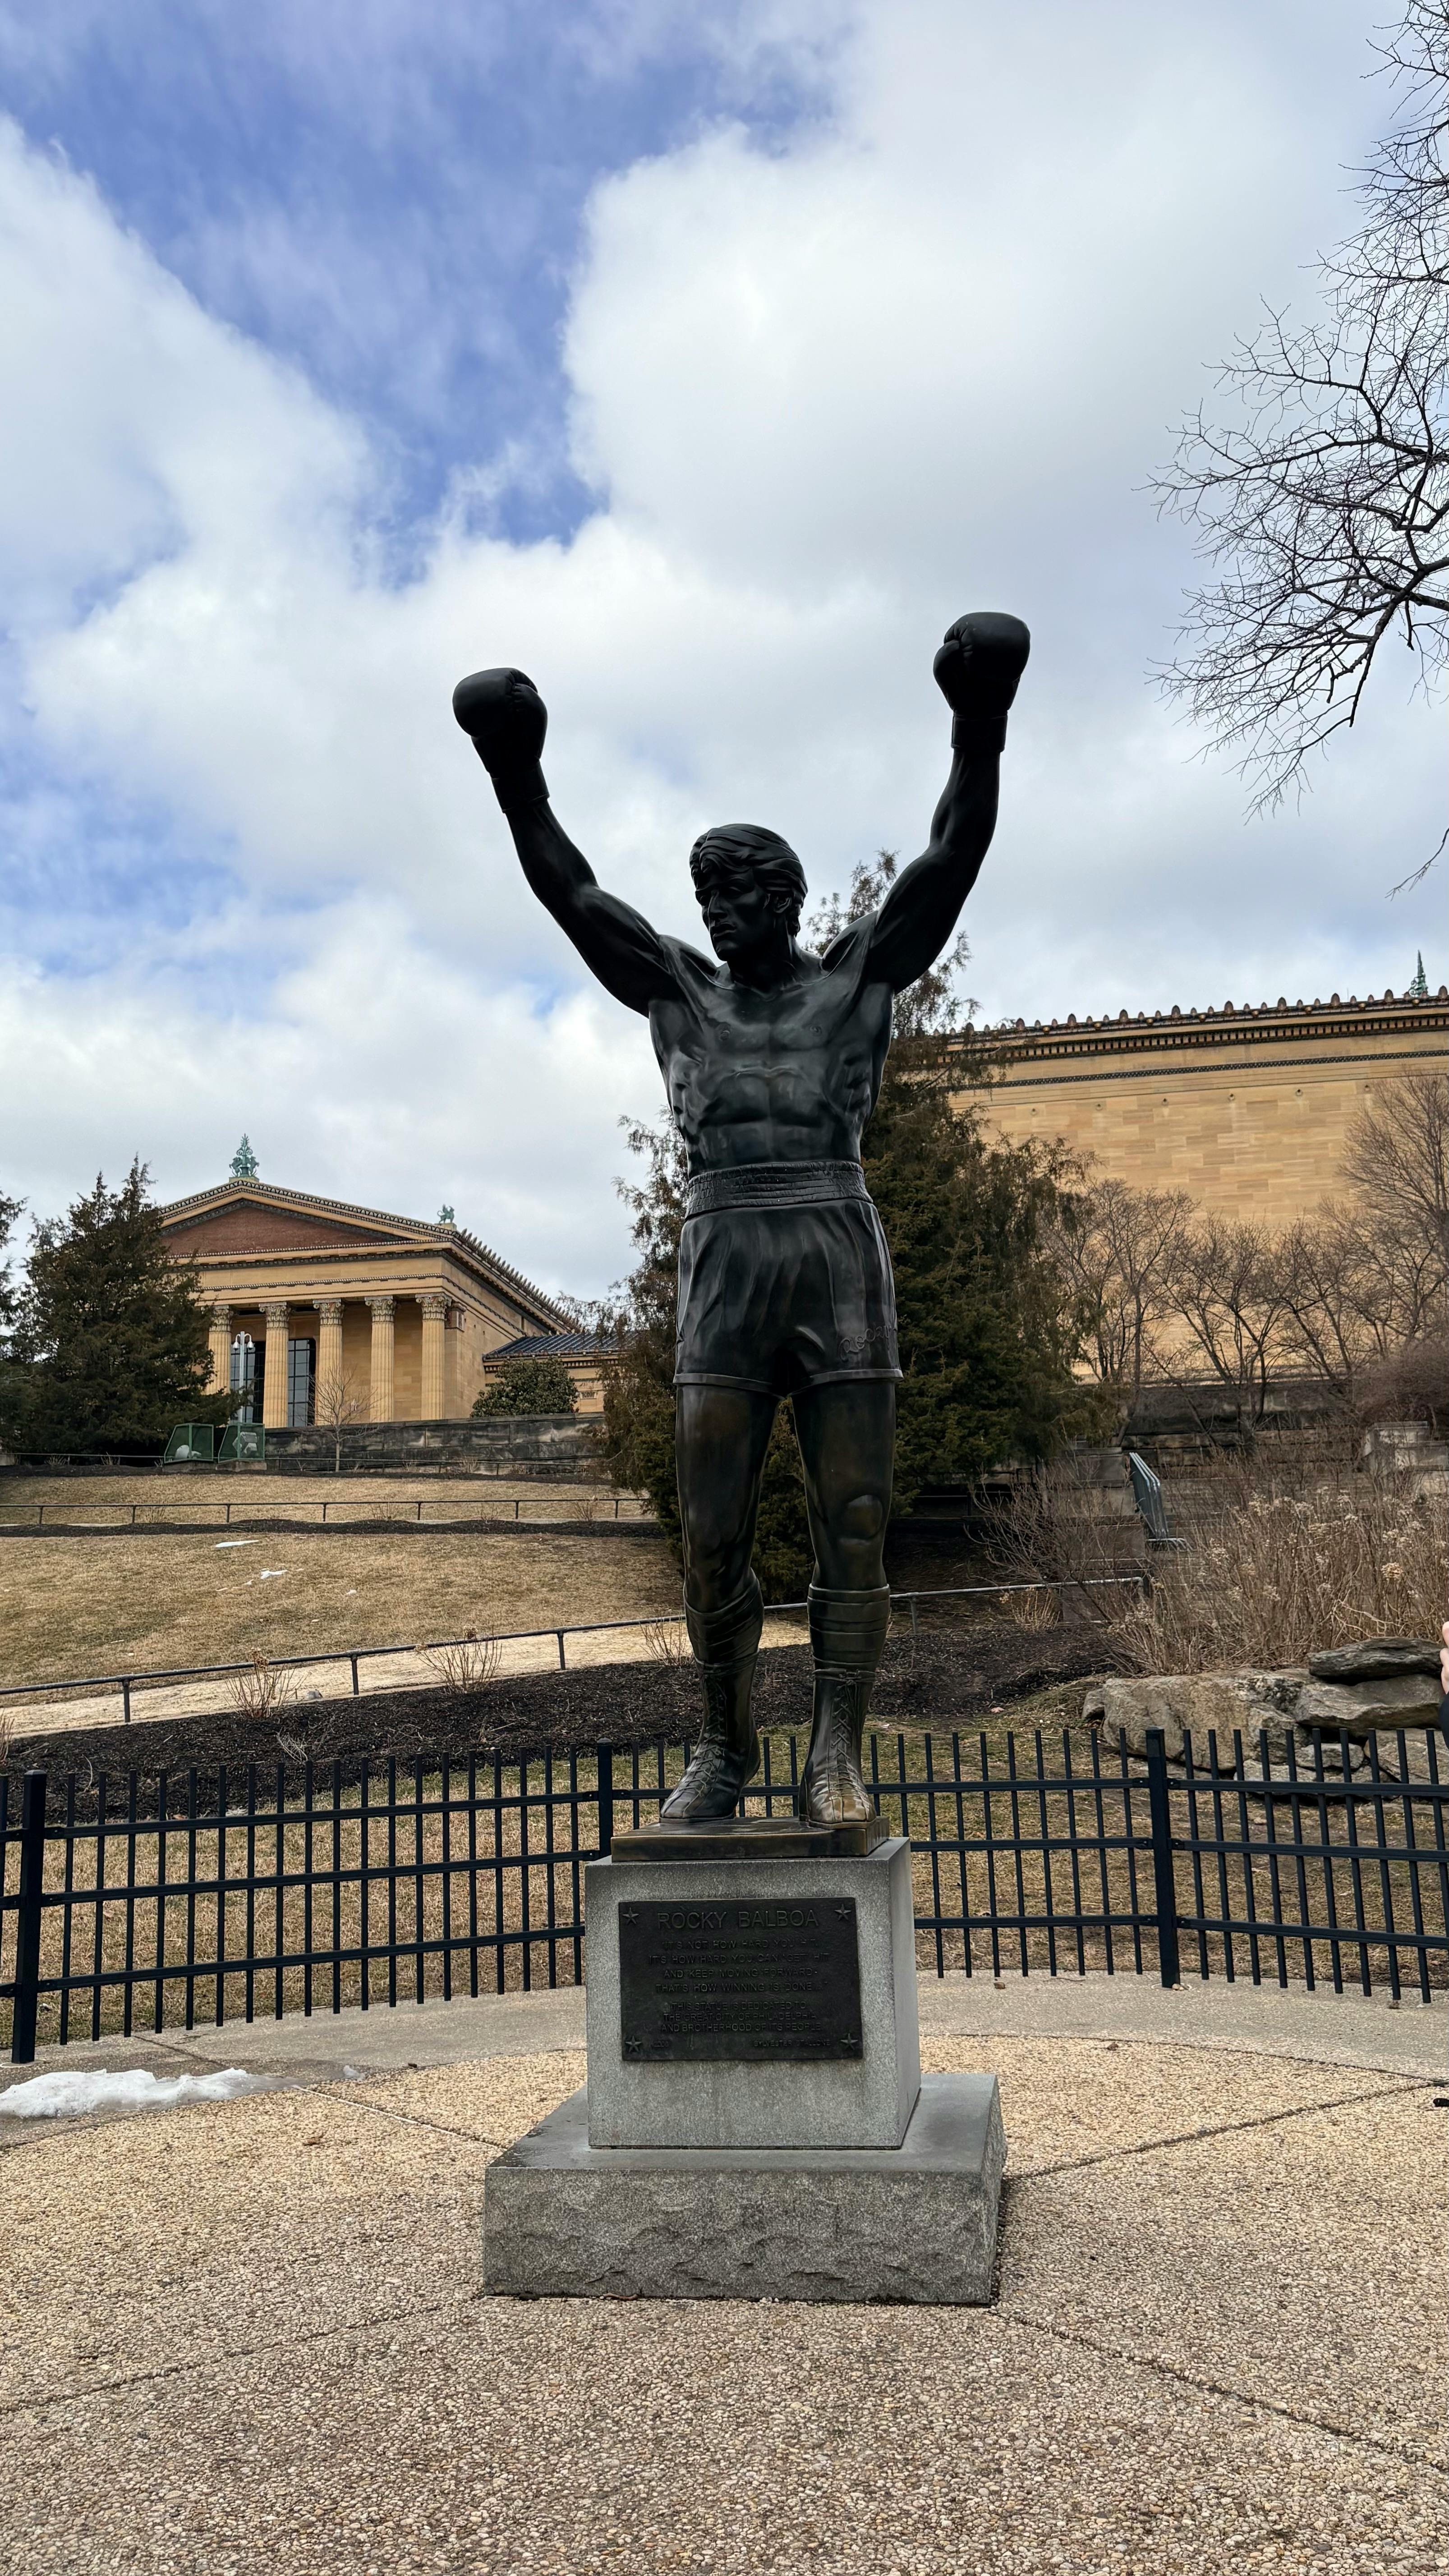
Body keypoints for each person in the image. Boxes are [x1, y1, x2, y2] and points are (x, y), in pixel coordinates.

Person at [453, 612, 1030, 1825]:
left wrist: (979, 722)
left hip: (834, 1244)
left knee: (854, 1520)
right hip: (724, 1254)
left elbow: (953, 854)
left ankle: (835, 1754)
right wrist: (516, 769)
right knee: (711, 1530)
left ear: (784, 899)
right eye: (704, 894)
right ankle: (724, 1746)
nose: (714, 911)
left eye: (734, 894)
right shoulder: (677, 990)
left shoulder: (859, 978)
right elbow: (572, 890)